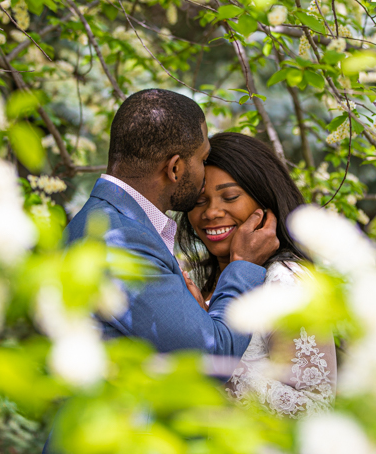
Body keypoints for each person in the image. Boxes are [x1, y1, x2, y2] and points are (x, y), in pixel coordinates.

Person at [65, 89, 280, 354]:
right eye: (202, 160)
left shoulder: (99, 222)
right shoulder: (122, 240)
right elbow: (211, 357)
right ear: (175, 168)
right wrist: (244, 265)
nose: (204, 175)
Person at [176, 132, 337, 417]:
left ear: (264, 201)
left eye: (230, 196)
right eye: (199, 201)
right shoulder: (212, 281)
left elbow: (316, 408)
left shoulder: (285, 283)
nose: (211, 212)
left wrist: (214, 360)